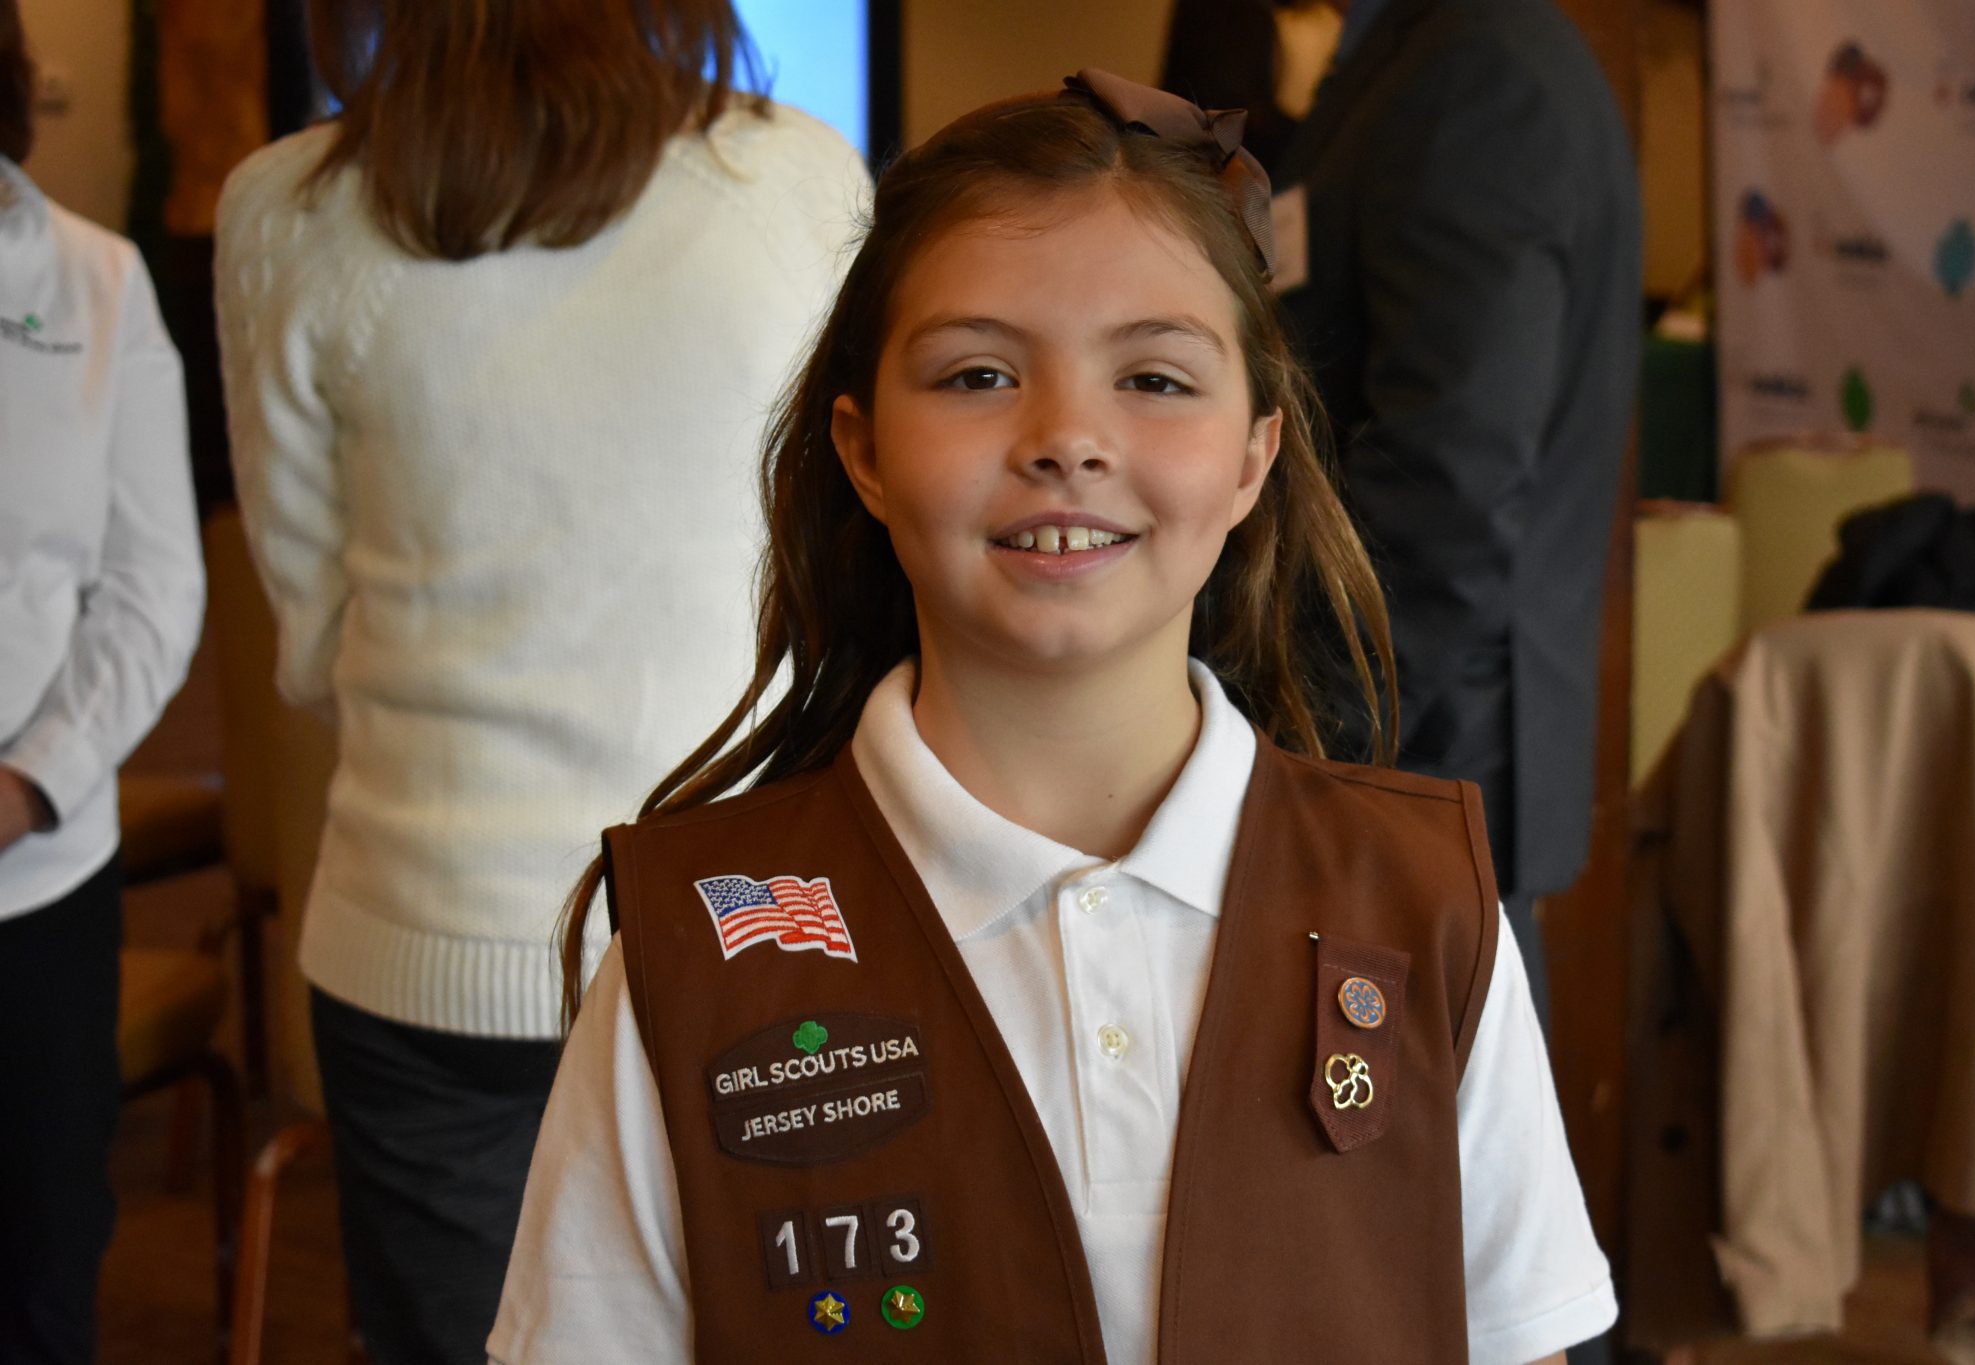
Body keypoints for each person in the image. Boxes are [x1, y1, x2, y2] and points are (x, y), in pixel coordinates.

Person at [489, 70, 1614, 1365]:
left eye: (1154, 377)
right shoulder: (696, 951)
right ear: (862, 449)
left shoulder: (1422, 907)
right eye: (976, 373)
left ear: (1253, 456)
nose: (1067, 437)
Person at [212, 2, 868, 1359]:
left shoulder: (284, 209)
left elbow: (311, 621)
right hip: (757, 922)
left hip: (427, 932)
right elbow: (843, 558)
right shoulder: (799, 177)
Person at [1274, 0, 1643, 1029]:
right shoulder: (1414, 53)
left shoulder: (1476, 72)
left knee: (1439, 1177)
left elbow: (1450, 477)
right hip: (1407, 755)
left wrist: (1302, 742)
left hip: (1413, 758)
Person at [1, 0, 206, 1356]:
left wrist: (27, 785)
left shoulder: (93, 279)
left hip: (32, 885)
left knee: (35, 1271)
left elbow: (153, 586)